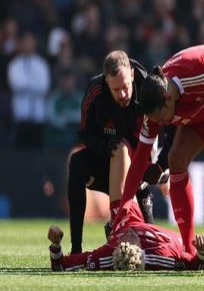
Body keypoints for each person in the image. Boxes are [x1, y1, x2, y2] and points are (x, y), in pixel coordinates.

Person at [113, 44, 204, 273]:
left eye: (161, 119)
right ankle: (190, 250)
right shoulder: (155, 109)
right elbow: (139, 159)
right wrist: (122, 209)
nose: (160, 124)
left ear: (168, 99)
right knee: (176, 160)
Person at [67, 51, 169, 255]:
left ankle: (129, 214)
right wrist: (104, 145)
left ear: (132, 74)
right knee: (77, 163)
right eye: (116, 89)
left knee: (152, 247)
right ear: (106, 82)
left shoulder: (148, 88)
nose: (122, 95)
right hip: (105, 160)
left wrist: (160, 165)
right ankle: (76, 247)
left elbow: (168, 125)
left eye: (125, 87)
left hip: (139, 165)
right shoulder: (94, 95)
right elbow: (85, 136)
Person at [47, 200, 204, 272]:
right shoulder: (162, 254)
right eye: (130, 239)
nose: (127, 235)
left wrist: (56, 244)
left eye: (120, 241)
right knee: (199, 255)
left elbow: (60, 265)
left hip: (127, 219)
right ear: (140, 248)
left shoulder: (105, 255)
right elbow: (194, 265)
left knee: (122, 164)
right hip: (179, 243)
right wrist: (203, 252)